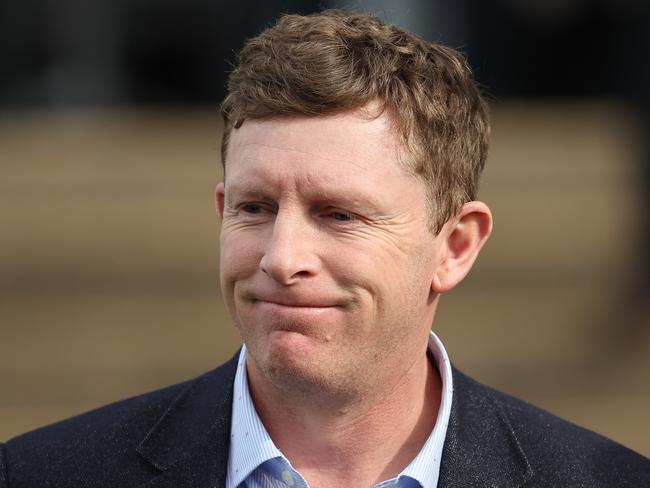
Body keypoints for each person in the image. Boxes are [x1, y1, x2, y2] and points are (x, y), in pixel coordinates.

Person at [1, 9, 648, 488]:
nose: (282, 259)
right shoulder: (39, 474)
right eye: (256, 209)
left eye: (338, 215)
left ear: (454, 246)